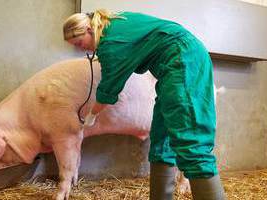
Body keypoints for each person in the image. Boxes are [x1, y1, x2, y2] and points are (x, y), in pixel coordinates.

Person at [63, 9, 225, 200]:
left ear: (89, 30)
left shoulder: (110, 43)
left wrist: (90, 117)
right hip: (173, 66)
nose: (82, 49)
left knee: (191, 142)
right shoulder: (115, 23)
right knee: (161, 137)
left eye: (79, 43)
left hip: (183, 60)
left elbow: (108, 90)